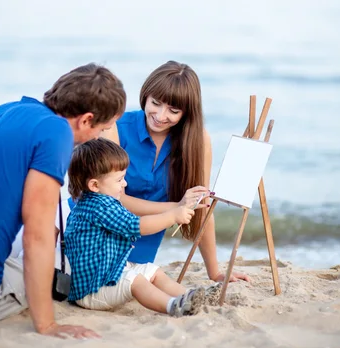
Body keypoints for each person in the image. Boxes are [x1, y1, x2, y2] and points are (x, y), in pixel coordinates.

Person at [0, 63, 126, 338]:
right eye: (103, 129)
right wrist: (47, 325)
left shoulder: (9, 110)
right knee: (47, 276)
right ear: (86, 120)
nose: (98, 137)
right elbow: (38, 236)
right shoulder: (56, 134)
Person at [104, 60, 250, 283]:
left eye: (173, 110)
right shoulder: (115, 126)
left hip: (141, 250)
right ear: (145, 95)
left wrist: (215, 273)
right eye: (155, 103)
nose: (161, 116)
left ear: (186, 112)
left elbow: (201, 207)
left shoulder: (198, 140)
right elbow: (110, 199)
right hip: (98, 233)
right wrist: (176, 209)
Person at [65, 138, 222, 315]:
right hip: (93, 290)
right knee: (136, 280)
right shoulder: (100, 207)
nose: (124, 184)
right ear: (94, 185)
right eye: (119, 180)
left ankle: (190, 296)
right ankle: (173, 305)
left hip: (106, 274)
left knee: (151, 270)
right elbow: (137, 226)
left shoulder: (96, 202)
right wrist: (172, 216)